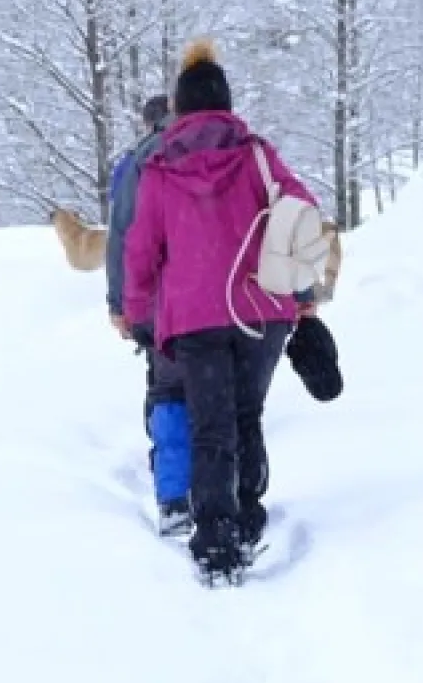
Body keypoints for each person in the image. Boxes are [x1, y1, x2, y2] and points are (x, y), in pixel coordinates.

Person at [122, 39, 321, 585]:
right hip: (261, 311)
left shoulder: (161, 170)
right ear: (227, 104)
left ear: (181, 109)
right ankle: (248, 516)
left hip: (195, 319)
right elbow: (302, 208)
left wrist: (139, 313)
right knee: (245, 415)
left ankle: (216, 540)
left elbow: (142, 249)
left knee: (211, 426)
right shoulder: (257, 155)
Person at [103, 94, 191, 537]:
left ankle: (175, 497)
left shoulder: (136, 163)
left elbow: (120, 235)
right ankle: (228, 490)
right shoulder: (220, 147)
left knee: (169, 392)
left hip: (161, 304)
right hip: (222, 298)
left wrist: (119, 303)